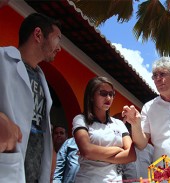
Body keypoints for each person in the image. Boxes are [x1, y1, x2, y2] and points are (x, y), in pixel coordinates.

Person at [0, 13, 61, 183]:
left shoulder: (41, 79)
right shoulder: (2, 59)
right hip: (6, 169)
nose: (59, 47)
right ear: (38, 35)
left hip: (34, 174)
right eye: (57, 38)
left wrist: (50, 152)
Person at [72, 76, 136, 182]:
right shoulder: (80, 120)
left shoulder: (119, 123)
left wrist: (96, 154)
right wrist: (117, 150)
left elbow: (131, 155)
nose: (108, 98)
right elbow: (87, 151)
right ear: (92, 96)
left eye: (111, 94)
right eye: (103, 93)